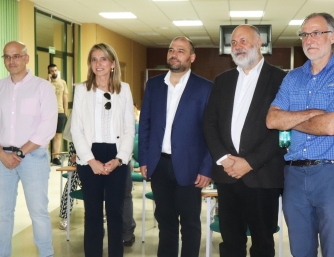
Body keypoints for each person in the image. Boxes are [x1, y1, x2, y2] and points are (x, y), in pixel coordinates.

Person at [266, 12, 334, 257]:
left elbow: (331, 126)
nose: (309, 39)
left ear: (333, 36)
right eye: (305, 34)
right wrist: (313, 114)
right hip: (295, 176)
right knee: (300, 250)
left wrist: (292, 118)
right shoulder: (292, 77)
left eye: (317, 32)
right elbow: (272, 120)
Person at [203, 25, 286, 257]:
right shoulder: (222, 80)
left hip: (262, 176)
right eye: (234, 43)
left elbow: (283, 129)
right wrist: (223, 159)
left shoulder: (281, 79)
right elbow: (209, 123)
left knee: (262, 242)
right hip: (227, 175)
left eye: (243, 41)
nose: (238, 46)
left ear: (260, 43)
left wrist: (249, 162)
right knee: (230, 241)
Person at [0, 41, 57, 257]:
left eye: (16, 56)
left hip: (33, 157)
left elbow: (48, 126)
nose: (11, 61)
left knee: (39, 213)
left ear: (26, 58)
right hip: (1, 159)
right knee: (2, 214)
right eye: (7, 56)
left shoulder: (42, 87)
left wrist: (21, 152)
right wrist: (0, 153)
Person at [139, 36, 212, 257]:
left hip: (191, 168)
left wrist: (207, 168)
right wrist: (144, 158)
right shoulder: (153, 85)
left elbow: (211, 132)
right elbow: (146, 125)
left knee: (190, 225)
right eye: (171, 50)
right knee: (165, 223)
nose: (174, 54)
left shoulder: (205, 88)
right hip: (159, 164)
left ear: (192, 57)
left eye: (181, 50)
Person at [71, 43, 135, 257]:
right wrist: (91, 161)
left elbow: (129, 129)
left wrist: (119, 159)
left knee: (116, 214)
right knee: (93, 215)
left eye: (103, 59)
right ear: (90, 64)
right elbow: (76, 130)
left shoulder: (123, 89)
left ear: (113, 64)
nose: (99, 64)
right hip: (89, 157)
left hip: (117, 157)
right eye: (94, 59)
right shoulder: (81, 90)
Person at [48, 63, 69, 165]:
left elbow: (65, 98)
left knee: (58, 135)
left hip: (60, 112)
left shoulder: (63, 83)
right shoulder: (46, 83)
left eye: (55, 70)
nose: (54, 73)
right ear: (49, 72)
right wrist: (48, 81)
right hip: (49, 113)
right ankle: (47, 156)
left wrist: (65, 113)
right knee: (47, 136)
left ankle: (56, 157)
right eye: (52, 71)